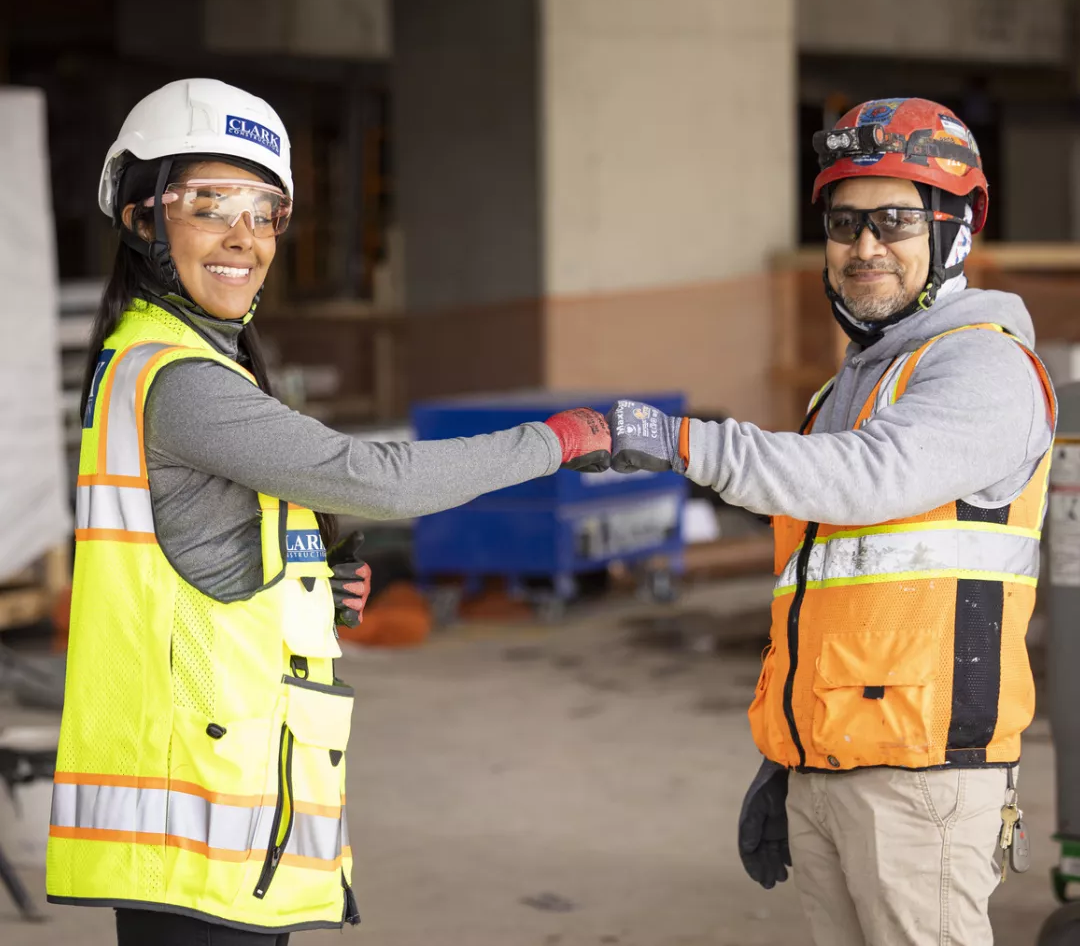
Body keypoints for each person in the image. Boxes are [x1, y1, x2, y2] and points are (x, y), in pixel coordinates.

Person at [45, 78, 610, 945]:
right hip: (197, 823)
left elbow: (198, 551)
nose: (244, 235)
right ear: (141, 217)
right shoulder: (181, 382)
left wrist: (306, 584)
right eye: (210, 203)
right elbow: (373, 477)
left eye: (264, 211)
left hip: (211, 813)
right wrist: (557, 440)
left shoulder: (165, 361)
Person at [604, 98, 1055, 945]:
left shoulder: (986, 364)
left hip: (921, 778)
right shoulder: (847, 387)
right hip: (829, 761)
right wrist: (791, 751)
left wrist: (682, 443)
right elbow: (829, 593)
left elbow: (867, 478)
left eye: (895, 220)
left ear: (955, 231)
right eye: (845, 224)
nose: (865, 246)